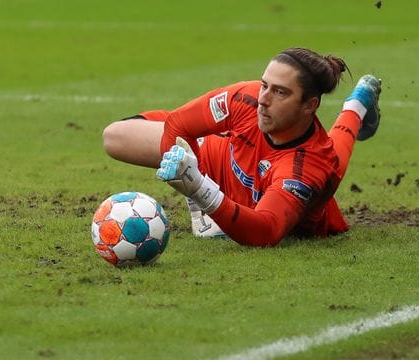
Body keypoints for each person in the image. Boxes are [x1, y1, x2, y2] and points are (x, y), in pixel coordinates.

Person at [102, 47, 381, 247]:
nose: (264, 99)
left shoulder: (305, 168)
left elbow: (266, 231)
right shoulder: (245, 98)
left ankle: (356, 106)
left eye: (280, 92)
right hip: (218, 156)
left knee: (335, 158)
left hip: (291, 184)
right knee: (115, 136)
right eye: (265, 85)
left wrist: (201, 190)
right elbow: (178, 124)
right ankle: (356, 105)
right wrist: (192, 177)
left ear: (310, 105)